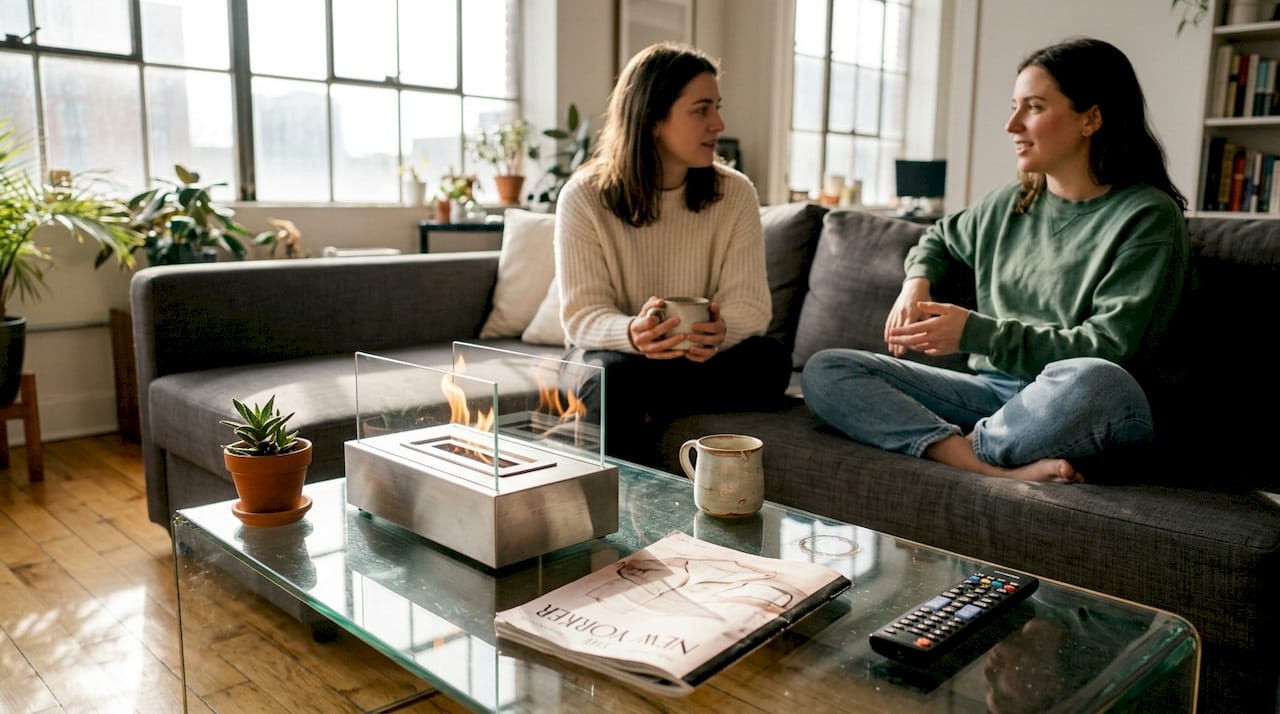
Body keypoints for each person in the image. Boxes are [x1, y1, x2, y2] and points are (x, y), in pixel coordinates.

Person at [801, 37, 1192, 484]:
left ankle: (970, 449)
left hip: (1076, 400)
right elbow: (938, 238)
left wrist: (976, 332)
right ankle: (982, 463)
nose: (1011, 125)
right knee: (827, 369)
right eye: (1013, 107)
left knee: (1098, 380)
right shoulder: (1009, 203)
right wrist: (916, 282)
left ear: (1091, 118)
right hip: (993, 394)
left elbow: (1109, 348)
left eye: (1034, 107)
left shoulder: (1147, 216)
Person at [555, 42, 790, 462]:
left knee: (769, 361)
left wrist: (720, 330)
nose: (718, 124)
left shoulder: (735, 193)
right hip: (615, 356)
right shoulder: (584, 196)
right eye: (701, 110)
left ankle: (647, 403)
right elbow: (581, 315)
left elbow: (751, 306)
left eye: (717, 107)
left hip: (698, 360)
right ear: (652, 119)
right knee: (609, 377)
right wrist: (633, 332)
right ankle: (618, 489)